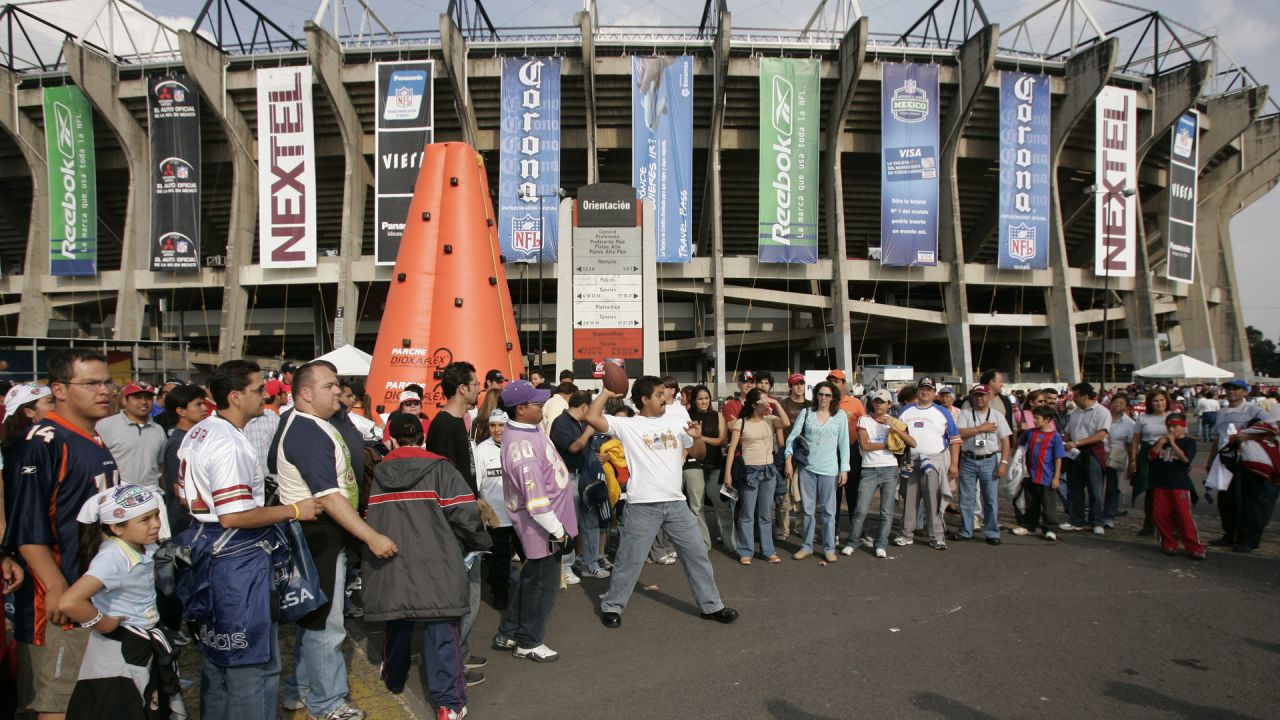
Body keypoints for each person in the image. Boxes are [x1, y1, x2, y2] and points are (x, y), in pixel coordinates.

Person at [175, 359, 320, 720]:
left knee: (219, 660)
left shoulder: (201, 430)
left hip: (209, 550)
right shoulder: (228, 444)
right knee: (250, 668)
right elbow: (234, 515)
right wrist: (295, 510)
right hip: (235, 561)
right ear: (236, 396)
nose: (265, 395)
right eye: (258, 390)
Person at [271, 361, 396, 720]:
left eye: (337, 385)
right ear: (305, 394)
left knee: (315, 619)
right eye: (328, 387)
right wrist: (371, 536)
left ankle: (300, 690)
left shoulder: (314, 425)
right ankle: (327, 703)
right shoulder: (308, 431)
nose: (338, 393)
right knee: (326, 624)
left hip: (325, 535)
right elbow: (328, 496)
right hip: (319, 536)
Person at [3, 349, 120, 720]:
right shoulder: (42, 442)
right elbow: (27, 527)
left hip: (92, 588)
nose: (103, 391)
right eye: (90, 383)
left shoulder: (91, 438)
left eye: (106, 382)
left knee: (90, 697)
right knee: (56, 703)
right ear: (60, 389)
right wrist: (57, 589)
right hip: (60, 597)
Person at [365, 413, 490, 720]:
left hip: (391, 562)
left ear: (391, 439)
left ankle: (394, 679)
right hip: (438, 563)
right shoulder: (442, 469)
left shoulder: (376, 473)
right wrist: (480, 541)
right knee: (442, 633)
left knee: (397, 621)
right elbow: (466, 514)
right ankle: (448, 705)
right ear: (422, 437)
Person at [585, 376, 738, 628]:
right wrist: (605, 392)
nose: (665, 397)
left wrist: (697, 438)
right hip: (642, 505)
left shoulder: (677, 420)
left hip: (676, 504)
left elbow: (698, 454)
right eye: (659, 394)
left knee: (697, 555)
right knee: (629, 560)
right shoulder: (628, 425)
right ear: (644, 400)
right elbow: (591, 418)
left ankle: (712, 606)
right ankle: (612, 606)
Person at [59, 484, 184, 720]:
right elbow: (69, 602)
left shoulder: (139, 546)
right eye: (145, 519)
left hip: (139, 647)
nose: (156, 524)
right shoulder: (112, 558)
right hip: (120, 653)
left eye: (156, 515)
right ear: (116, 527)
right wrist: (103, 622)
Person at [492, 380, 577, 661]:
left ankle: (510, 631)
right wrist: (559, 532)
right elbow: (537, 501)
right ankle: (529, 641)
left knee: (532, 580)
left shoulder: (527, 430)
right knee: (543, 587)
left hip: (545, 524)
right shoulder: (522, 447)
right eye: (536, 403)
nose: (541, 405)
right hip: (543, 527)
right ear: (520, 409)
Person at [424, 361, 487, 681]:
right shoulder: (445, 425)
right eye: (476, 384)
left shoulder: (456, 421)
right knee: (465, 597)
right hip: (456, 524)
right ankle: (454, 665)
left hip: (464, 517)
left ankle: (459, 654)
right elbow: (445, 481)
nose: (480, 388)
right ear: (462, 388)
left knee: (469, 595)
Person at [783, 380, 849, 562]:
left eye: (828, 395)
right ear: (816, 395)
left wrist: (844, 469)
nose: (824, 398)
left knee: (829, 511)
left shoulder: (840, 416)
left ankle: (829, 548)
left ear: (833, 397)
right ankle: (806, 546)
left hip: (830, 469)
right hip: (808, 469)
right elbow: (793, 437)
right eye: (821, 394)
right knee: (808, 510)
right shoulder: (807, 413)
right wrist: (788, 458)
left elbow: (844, 446)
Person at [845, 389, 914, 557]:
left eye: (882, 401)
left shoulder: (895, 422)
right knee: (861, 509)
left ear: (889, 404)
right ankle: (852, 541)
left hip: (890, 469)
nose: (878, 404)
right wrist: (887, 446)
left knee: (886, 511)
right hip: (869, 469)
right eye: (876, 401)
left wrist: (895, 428)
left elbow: (912, 442)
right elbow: (865, 445)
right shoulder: (864, 420)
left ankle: (881, 544)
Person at [723, 388, 789, 564]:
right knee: (747, 513)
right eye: (763, 402)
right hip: (749, 471)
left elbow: (786, 423)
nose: (767, 404)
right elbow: (731, 449)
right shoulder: (741, 423)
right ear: (753, 405)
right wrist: (728, 474)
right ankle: (746, 551)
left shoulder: (770, 419)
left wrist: (776, 404)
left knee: (766, 514)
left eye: (768, 401)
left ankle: (768, 551)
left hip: (768, 470)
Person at [895, 377, 960, 550]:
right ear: (918, 391)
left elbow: (954, 439)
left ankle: (937, 536)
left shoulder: (942, 412)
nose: (925, 392)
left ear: (934, 393)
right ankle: (906, 533)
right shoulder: (906, 411)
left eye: (929, 389)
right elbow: (896, 434)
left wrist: (954, 464)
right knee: (909, 499)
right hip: (911, 461)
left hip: (933, 460)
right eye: (922, 389)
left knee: (934, 500)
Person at [550, 391, 609, 581]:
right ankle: (565, 568)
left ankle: (589, 564)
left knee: (590, 521)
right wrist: (588, 433)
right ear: (584, 407)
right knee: (569, 524)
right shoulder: (561, 423)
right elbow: (574, 447)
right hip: (568, 478)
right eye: (589, 409)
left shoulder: (583, 423)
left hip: (586, 477)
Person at [1208, 379, 1272, 553]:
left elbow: (1272, 429)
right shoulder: (1221, 412)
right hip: (1226, 461)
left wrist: (1247, 436)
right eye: (1228, 389)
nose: (1231, 392)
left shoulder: (1254, 410)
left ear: (1245, 392)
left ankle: (1249, 539)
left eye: (1236, 389)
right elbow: (1217, 438)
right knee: (1226, 500)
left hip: (1248, 461)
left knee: (1248, 501)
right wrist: (1211, 461)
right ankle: (1230, 534)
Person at [96, 383, 169, 535]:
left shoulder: (158, 430)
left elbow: (160, 466)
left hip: (150, 495)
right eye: (137, 397)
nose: (143, 402)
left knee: (157, 547)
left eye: (148, 397)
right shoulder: (106, 426)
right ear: (125, 400)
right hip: (119, 498)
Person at [954, 384, 1013, 545]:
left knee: (990, 498)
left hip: (989, 459)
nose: (979, 398)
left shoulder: (997, 415)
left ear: (989, 397)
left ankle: (992, 532)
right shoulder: (965, 414)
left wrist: (1004, 462)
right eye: (977, 395)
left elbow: (1005, 440)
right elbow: (959, 433)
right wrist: (981, 428)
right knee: (966, 497)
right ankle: (966, 530)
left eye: (983, 395)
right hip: (968, 458)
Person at [1146, 413, 1204, 559]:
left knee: (1184, 516)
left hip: (1179, 483)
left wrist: (1173, 443)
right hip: (1161, 482)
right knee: (1161, 515)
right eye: (1169, 426)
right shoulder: (1161, 441)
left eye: (1175, 426)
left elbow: (1185, 459)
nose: (1171, 429)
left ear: (1182, 426)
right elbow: (1150, 456)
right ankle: (1168, 542)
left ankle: (1194, 546)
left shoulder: (1189, 442)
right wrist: (1161, 442)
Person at [473, 409, 516, 609]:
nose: (497, 430)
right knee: (498, 560)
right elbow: (477, 483)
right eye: (493, 425)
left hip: (518, 515)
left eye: (501, 425)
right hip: (495, 518)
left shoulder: (517, 446)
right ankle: (500, 593)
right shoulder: (481, 449)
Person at [684, 385, 730, 551]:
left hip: (715, 464)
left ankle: (731, 543)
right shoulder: (687, 416)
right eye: (700, 399)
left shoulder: (718, 416)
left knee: (722, 505)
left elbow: (721, 440)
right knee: (696, 507)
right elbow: (685, 441)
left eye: (706, 398)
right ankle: (704, 544)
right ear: (694, 401)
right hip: (692, 464)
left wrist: (700, 436)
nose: (703, 402)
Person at [1061, 383, 1111, 535]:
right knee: (1074, 488)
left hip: (1092, 451)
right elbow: (1068, 431)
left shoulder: (1101, 411)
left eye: (1076, 396)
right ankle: (1076, 520)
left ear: (1084, 395)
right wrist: (1068, 443)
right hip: (1074, 452)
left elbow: (1101, 434)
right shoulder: (1075, 413)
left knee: (1095, 489)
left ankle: (1097, 521)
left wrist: (1078, 442)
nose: (1074, 399)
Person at [159, 384, 207, 538]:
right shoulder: (179, 442)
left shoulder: (192, 438)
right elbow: (179, 490)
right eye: (198, 404)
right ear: (181, 411)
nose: (205, 408)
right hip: (186, 524)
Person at [1014, 406, 1066, 541]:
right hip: (1030, 475)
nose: (1034, 421)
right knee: (1031, 504)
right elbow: (1020, 447)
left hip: (1047, 477)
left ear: (1048, 419)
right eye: (1034, 417)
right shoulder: (1030, 433)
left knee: (1048, 506)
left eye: (1037, 418)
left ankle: (1050, 529)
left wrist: (1056, 477)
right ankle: (1029, 526)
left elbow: (1058, 458)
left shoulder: (1055, 437)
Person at [1129, 389, 1171, 536]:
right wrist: (1133, 460)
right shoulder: (1143, 418)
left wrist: (1163, 442)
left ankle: (1171, 526)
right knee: (1150, 491)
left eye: (1161, 400)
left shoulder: (1172, 416)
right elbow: (1135, 440)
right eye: (1155, 401)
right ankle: (1149, 524)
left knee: (1169, 492)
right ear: (1150, 403)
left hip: (1168, 456)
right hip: (1148, 456)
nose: (1159, 403)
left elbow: (1180, 435)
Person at [1104, 393, 1135, 530]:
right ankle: (1095, 514)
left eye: (1121, 403)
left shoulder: (1129, 423)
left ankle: (1109, 516)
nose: (1117, 405)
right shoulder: (1103, 416)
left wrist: (1132, 462)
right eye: (1116, 401)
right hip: (1099, 453)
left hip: (1116, 456)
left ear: (1126, 406)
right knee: (1096, 486)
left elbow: (1130, 445)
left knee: (1113, 487)